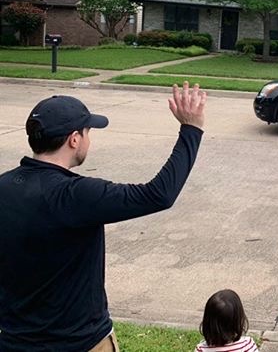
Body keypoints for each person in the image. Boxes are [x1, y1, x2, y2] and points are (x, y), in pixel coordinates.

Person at [0, 82, 207, 352]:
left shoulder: (4, 187)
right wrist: (192, 129)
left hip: (14, 342)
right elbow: (158, 195)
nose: (89, 139)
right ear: (74, 139)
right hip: (80, 343)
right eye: (87, 132)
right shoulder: (75, 195)